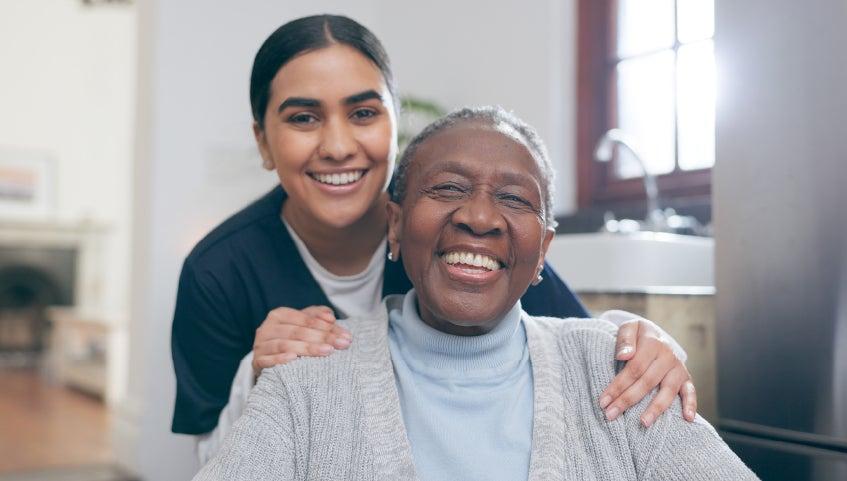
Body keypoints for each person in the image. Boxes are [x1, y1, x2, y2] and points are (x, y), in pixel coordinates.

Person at [171, 14, 696, 463]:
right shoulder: (219, 270)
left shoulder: (454, 238)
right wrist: (255, 378)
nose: (336, 145)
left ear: (394, 126)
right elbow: (210, 458)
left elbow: (576, 350)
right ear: (263, 141)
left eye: (363, 113)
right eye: (304, 118)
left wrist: (643, 340)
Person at [193, 106, 757, 481]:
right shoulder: (309, 379)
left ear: (543, 251)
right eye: (447, 188)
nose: (480, 217)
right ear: (394, 224)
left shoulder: (620, 374)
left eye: (514, 199)